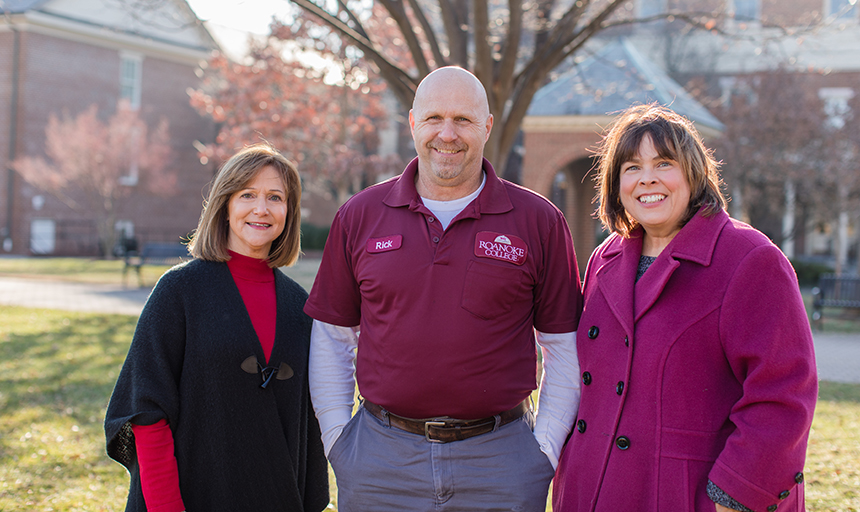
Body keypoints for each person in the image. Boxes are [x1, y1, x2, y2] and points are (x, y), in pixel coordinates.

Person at [303, 66, 583, 511]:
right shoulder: (360, 215)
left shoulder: (538, 220)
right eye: (434, 118)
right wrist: (339, 439)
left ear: (487, 127)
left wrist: (541, 453)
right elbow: (333, 336)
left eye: (463, 120)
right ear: (413, 123)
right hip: (381, 462)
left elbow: (563, 348)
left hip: (500, 462)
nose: (447, 134)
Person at [552, 104, 818, 512]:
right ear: (615, 184)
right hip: (591, 490)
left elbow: (783, 393)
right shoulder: (605, 258)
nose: (648, 179)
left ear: (694, 173)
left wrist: (737, 496)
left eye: (664, 163)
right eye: (631, 167)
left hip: (689, 495)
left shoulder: (749, 259)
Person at [105, 144, 329, 512]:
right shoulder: (179, 291)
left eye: (275, 197)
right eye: (248, 195)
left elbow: (307, 429)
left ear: (289, 212)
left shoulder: (299, 307)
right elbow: (146, 413)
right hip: (190, 497)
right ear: (225, 205)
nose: (262, 208)